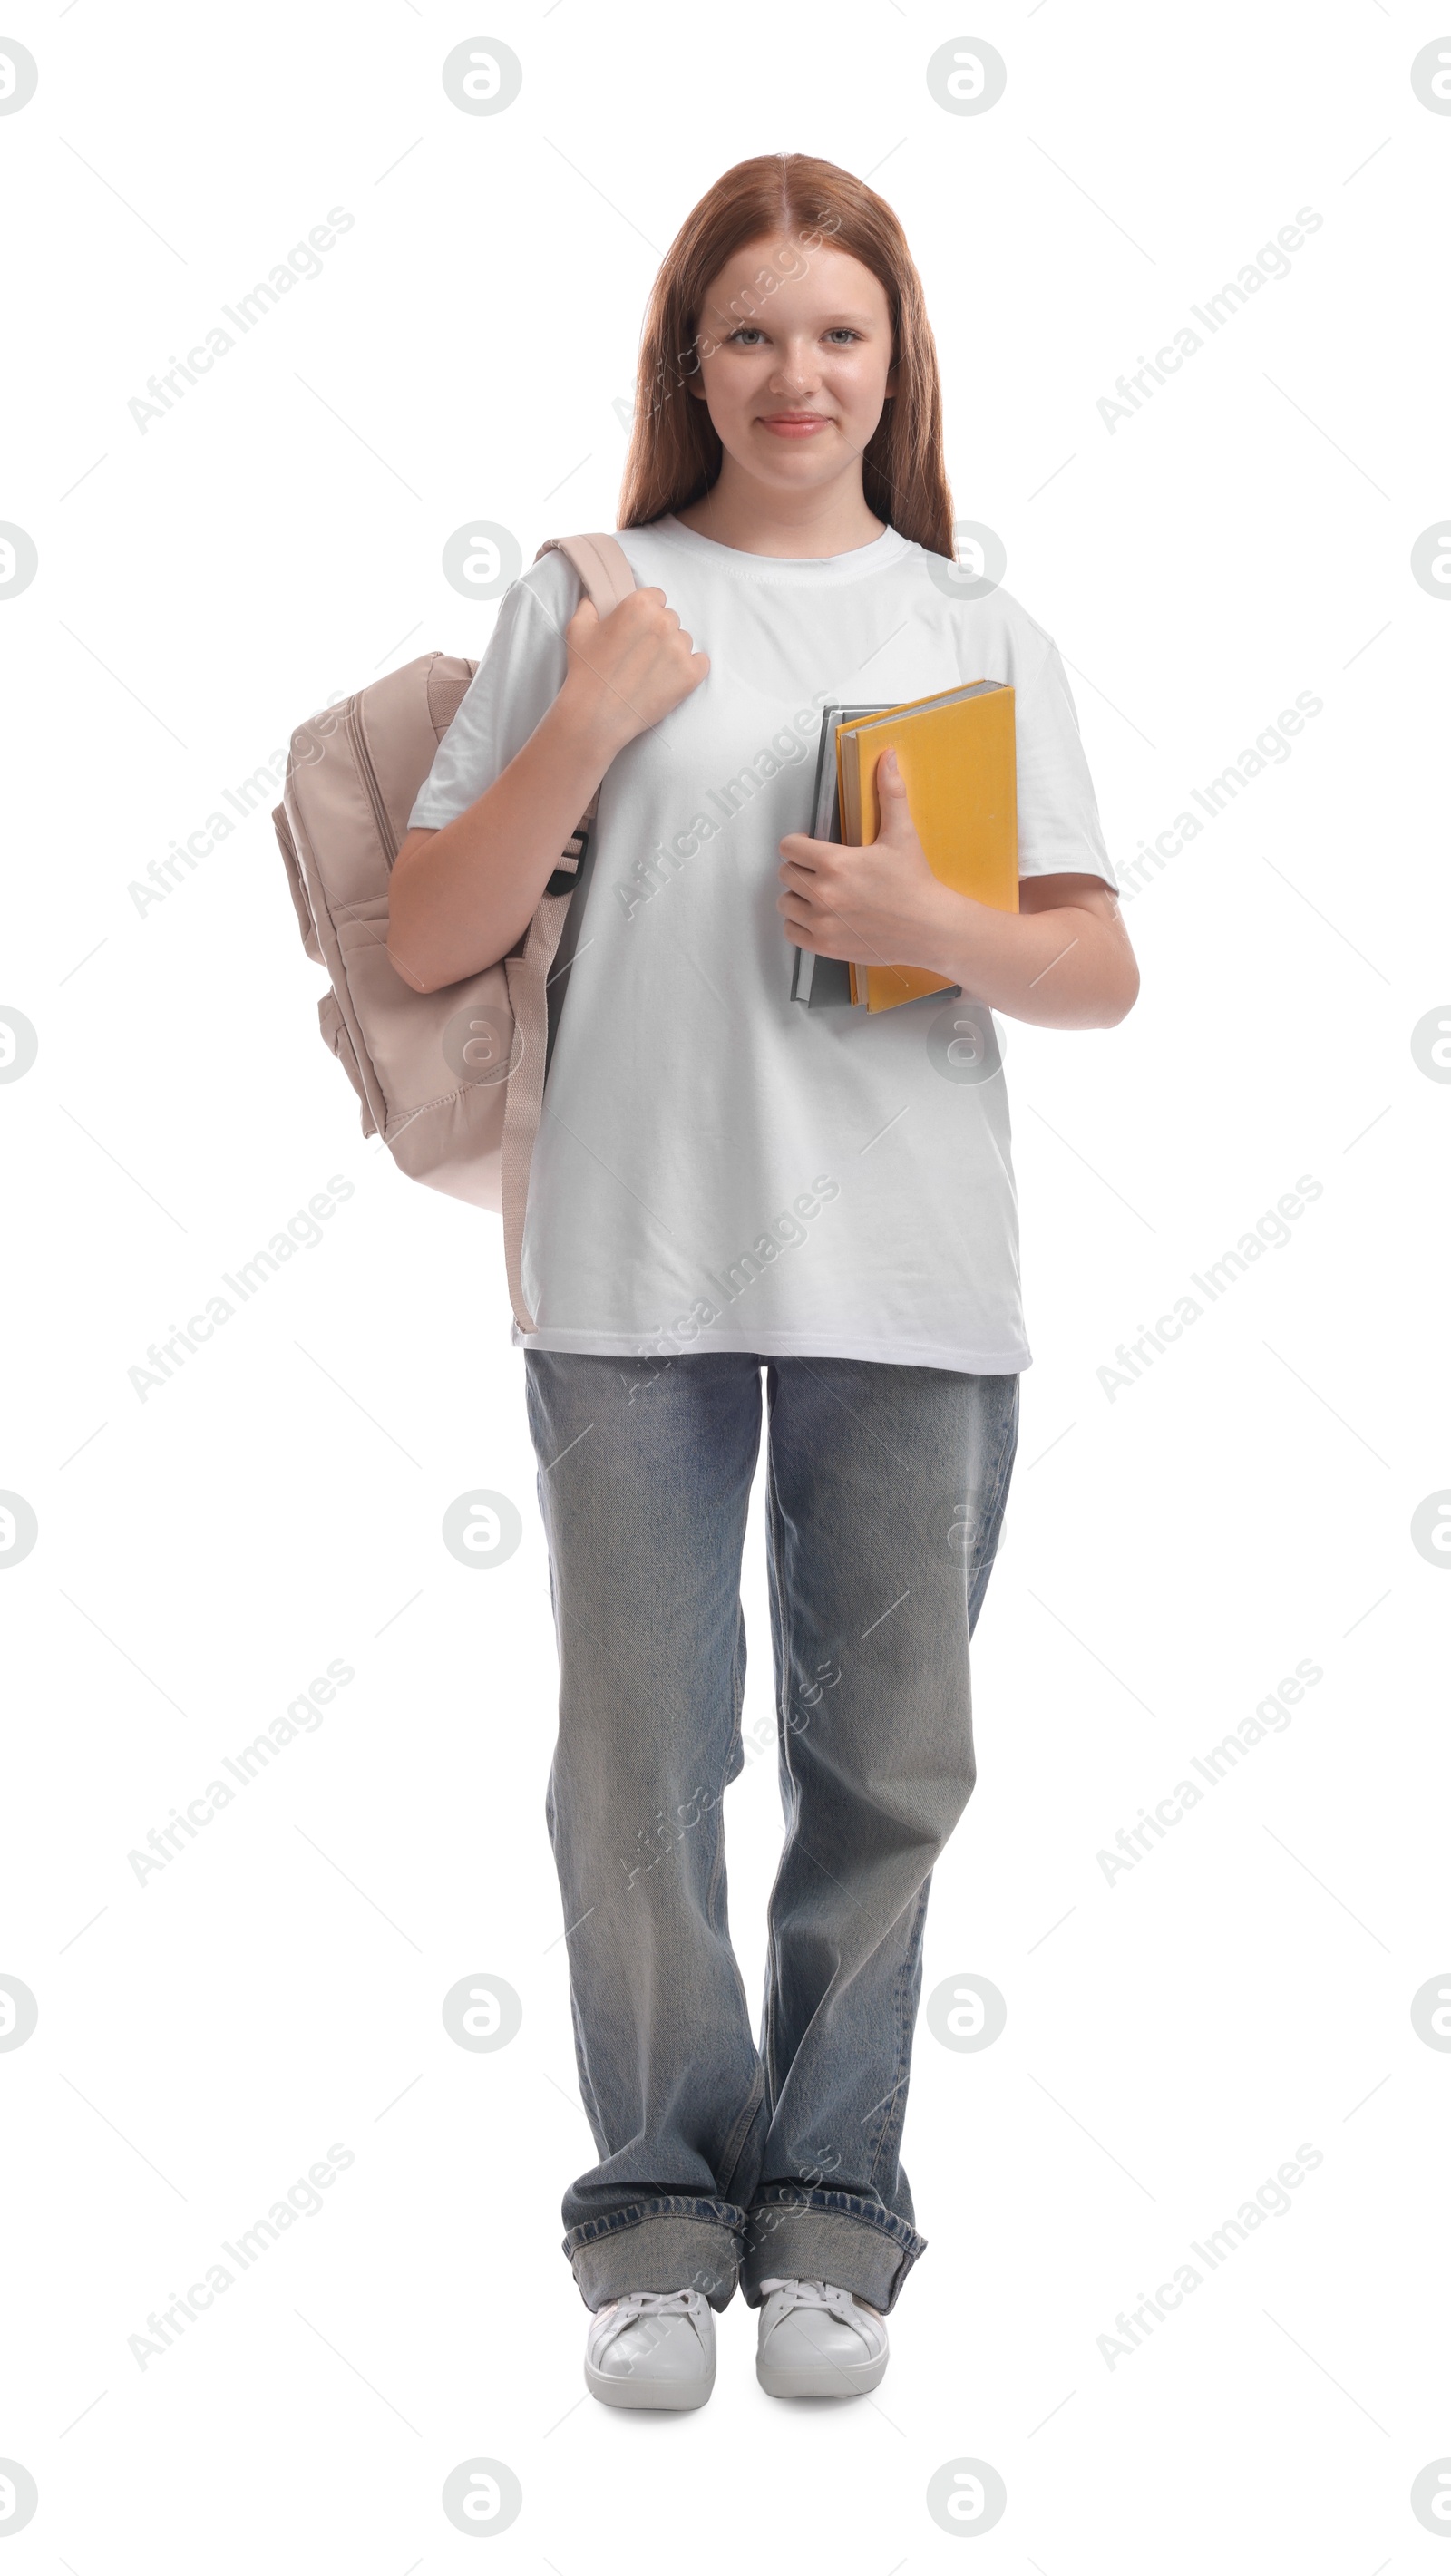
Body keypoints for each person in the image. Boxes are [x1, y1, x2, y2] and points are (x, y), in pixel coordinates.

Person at [385, 151, 1137, 2409]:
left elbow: (1094, 965)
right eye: (747, 332)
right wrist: (593, 718)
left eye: (836, 333)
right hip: (631, 1254)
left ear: (893, 361)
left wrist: (940, 936)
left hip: (914, 1270)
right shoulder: (589, 591)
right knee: (637, 1755)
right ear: (685, 360)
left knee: (886, 1757)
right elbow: (427, 934)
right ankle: (651, 2211)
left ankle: (829, 2210)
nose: (792, 374)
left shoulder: (973, 626)